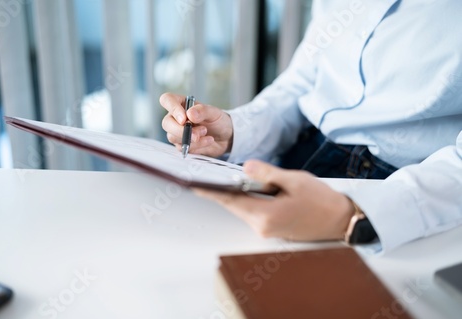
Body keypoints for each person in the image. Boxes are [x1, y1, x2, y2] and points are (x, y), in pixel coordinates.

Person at [160, 0, 462, 253]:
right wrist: (233, 131)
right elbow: (304, 81)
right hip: (297, 156)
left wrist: (352, 216)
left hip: (395, 192)